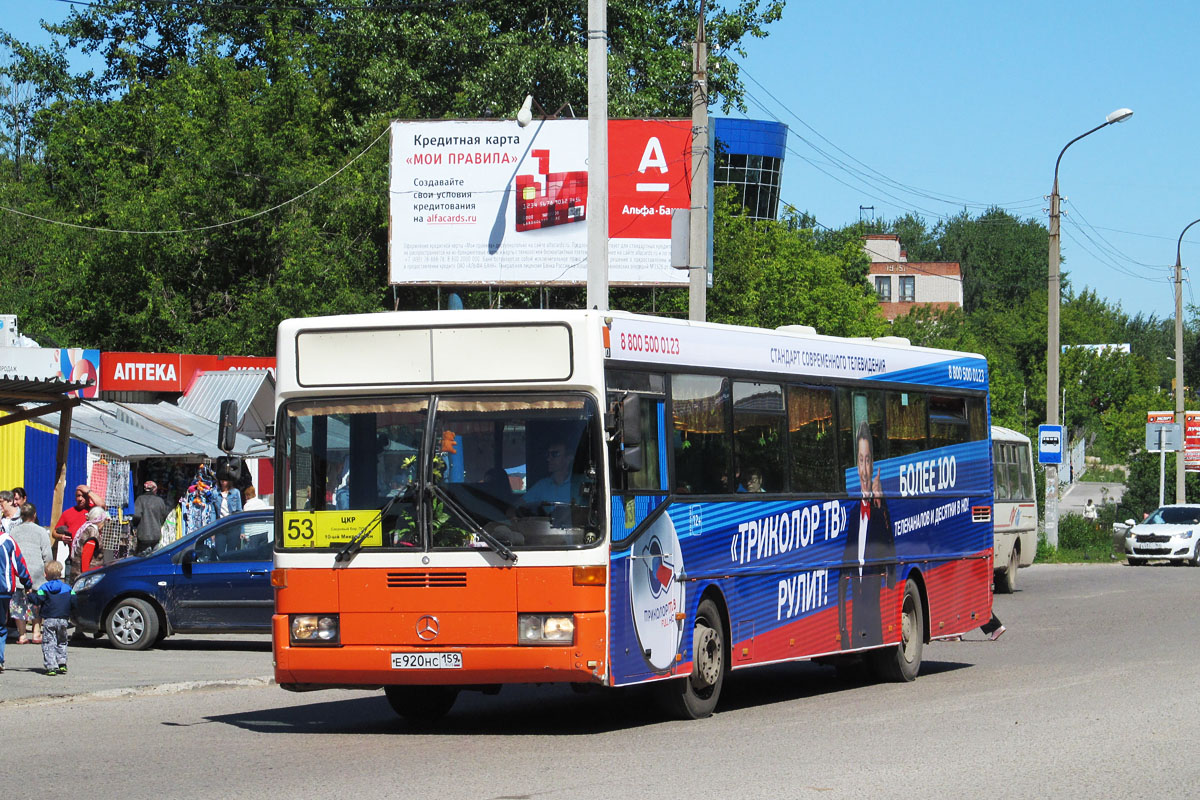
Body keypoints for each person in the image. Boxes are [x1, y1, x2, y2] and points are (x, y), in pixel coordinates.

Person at [839, 421, 895, 649]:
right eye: (860, 461)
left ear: (874, 465)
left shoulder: (880, 510)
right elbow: (845, 564)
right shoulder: (853, 513)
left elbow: (891, 550)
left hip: (875, 604)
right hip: (855, 604)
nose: (863, 469)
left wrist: (882, 506)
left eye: (868, 460)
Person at [10, 503, 52, 644]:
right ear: (34, 515)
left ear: (21, 516)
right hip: (37, 573)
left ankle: (22, 635)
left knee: (18, 603)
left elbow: (11, 552)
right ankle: (36, 633)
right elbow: (47, 555)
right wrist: (48, 569)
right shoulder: (41, 531)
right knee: (37, 604)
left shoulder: (14, 531)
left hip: (19, 573)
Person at [0, 524, 34, 673]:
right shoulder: (7, 540)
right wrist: (27, 583)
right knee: (0, 627)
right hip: (3, 589)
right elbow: (19, 563)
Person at [30, 561, 73, 675]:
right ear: (60, 574)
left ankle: (51, 666)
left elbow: (38, 600)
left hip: (49, 619)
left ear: (46, 575)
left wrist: (30, 595)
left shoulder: (43, 588)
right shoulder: (68, 588)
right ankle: (62, 663)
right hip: (63, 619)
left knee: (49, 642)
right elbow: (74, 601)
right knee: (62, 640)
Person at [523, 439, 582, 511]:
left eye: (555, 454)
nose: (548, 459)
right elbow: (518, 505)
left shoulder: (580, 484)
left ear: (569, 458)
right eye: (548, 454)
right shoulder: (542, 486)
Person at [53, 485, 98, 565]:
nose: (80, 499)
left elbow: (103, 505)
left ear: (88, 497)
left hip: (91, 560)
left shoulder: (94, 511)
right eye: (78, 496)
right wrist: (61, 537)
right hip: (72, 560)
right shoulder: (67, 513)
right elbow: (54, 533)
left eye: (83, 496)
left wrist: (89, 492)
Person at [69, 506, 109, 579]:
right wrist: (86, 576)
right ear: (100, 521)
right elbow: (86, 556)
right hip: (85, 575)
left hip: (78, 572)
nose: (104, 524)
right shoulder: (92, 532)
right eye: (104, 521)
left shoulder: (87, 528)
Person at [132, 481, 169, 555]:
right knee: (155, 557)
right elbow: (164, 517)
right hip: (156, 535)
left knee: (142, 559)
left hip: (143, 535)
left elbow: (136, 516)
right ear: (155, 490)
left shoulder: (140, 499)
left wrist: (135, 525)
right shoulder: (160, 501)